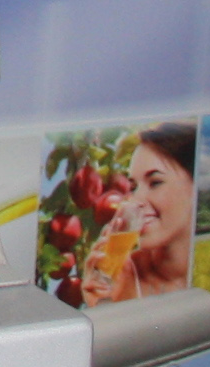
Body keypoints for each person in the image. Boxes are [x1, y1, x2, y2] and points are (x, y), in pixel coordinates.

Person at [86, 123, 200, 304]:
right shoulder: (121, 278)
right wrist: (104, 306)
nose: (136, 200)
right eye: (133, 187)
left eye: (155, 182)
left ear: (196, 185)